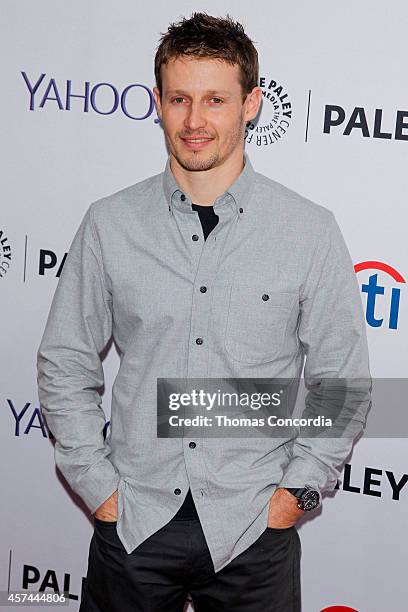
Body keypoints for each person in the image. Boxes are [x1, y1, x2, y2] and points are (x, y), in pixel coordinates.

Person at [37, 12, 371, 612]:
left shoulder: (308, 231)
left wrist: (299, 493)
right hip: (133, 521)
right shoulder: (109, 223)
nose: (195, 121)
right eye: (179, 99)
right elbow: (64, 363)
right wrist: (98, 488)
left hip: (254, 526)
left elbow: (342, 382)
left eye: (215, 99)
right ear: (159, 104)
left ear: (251, 105)